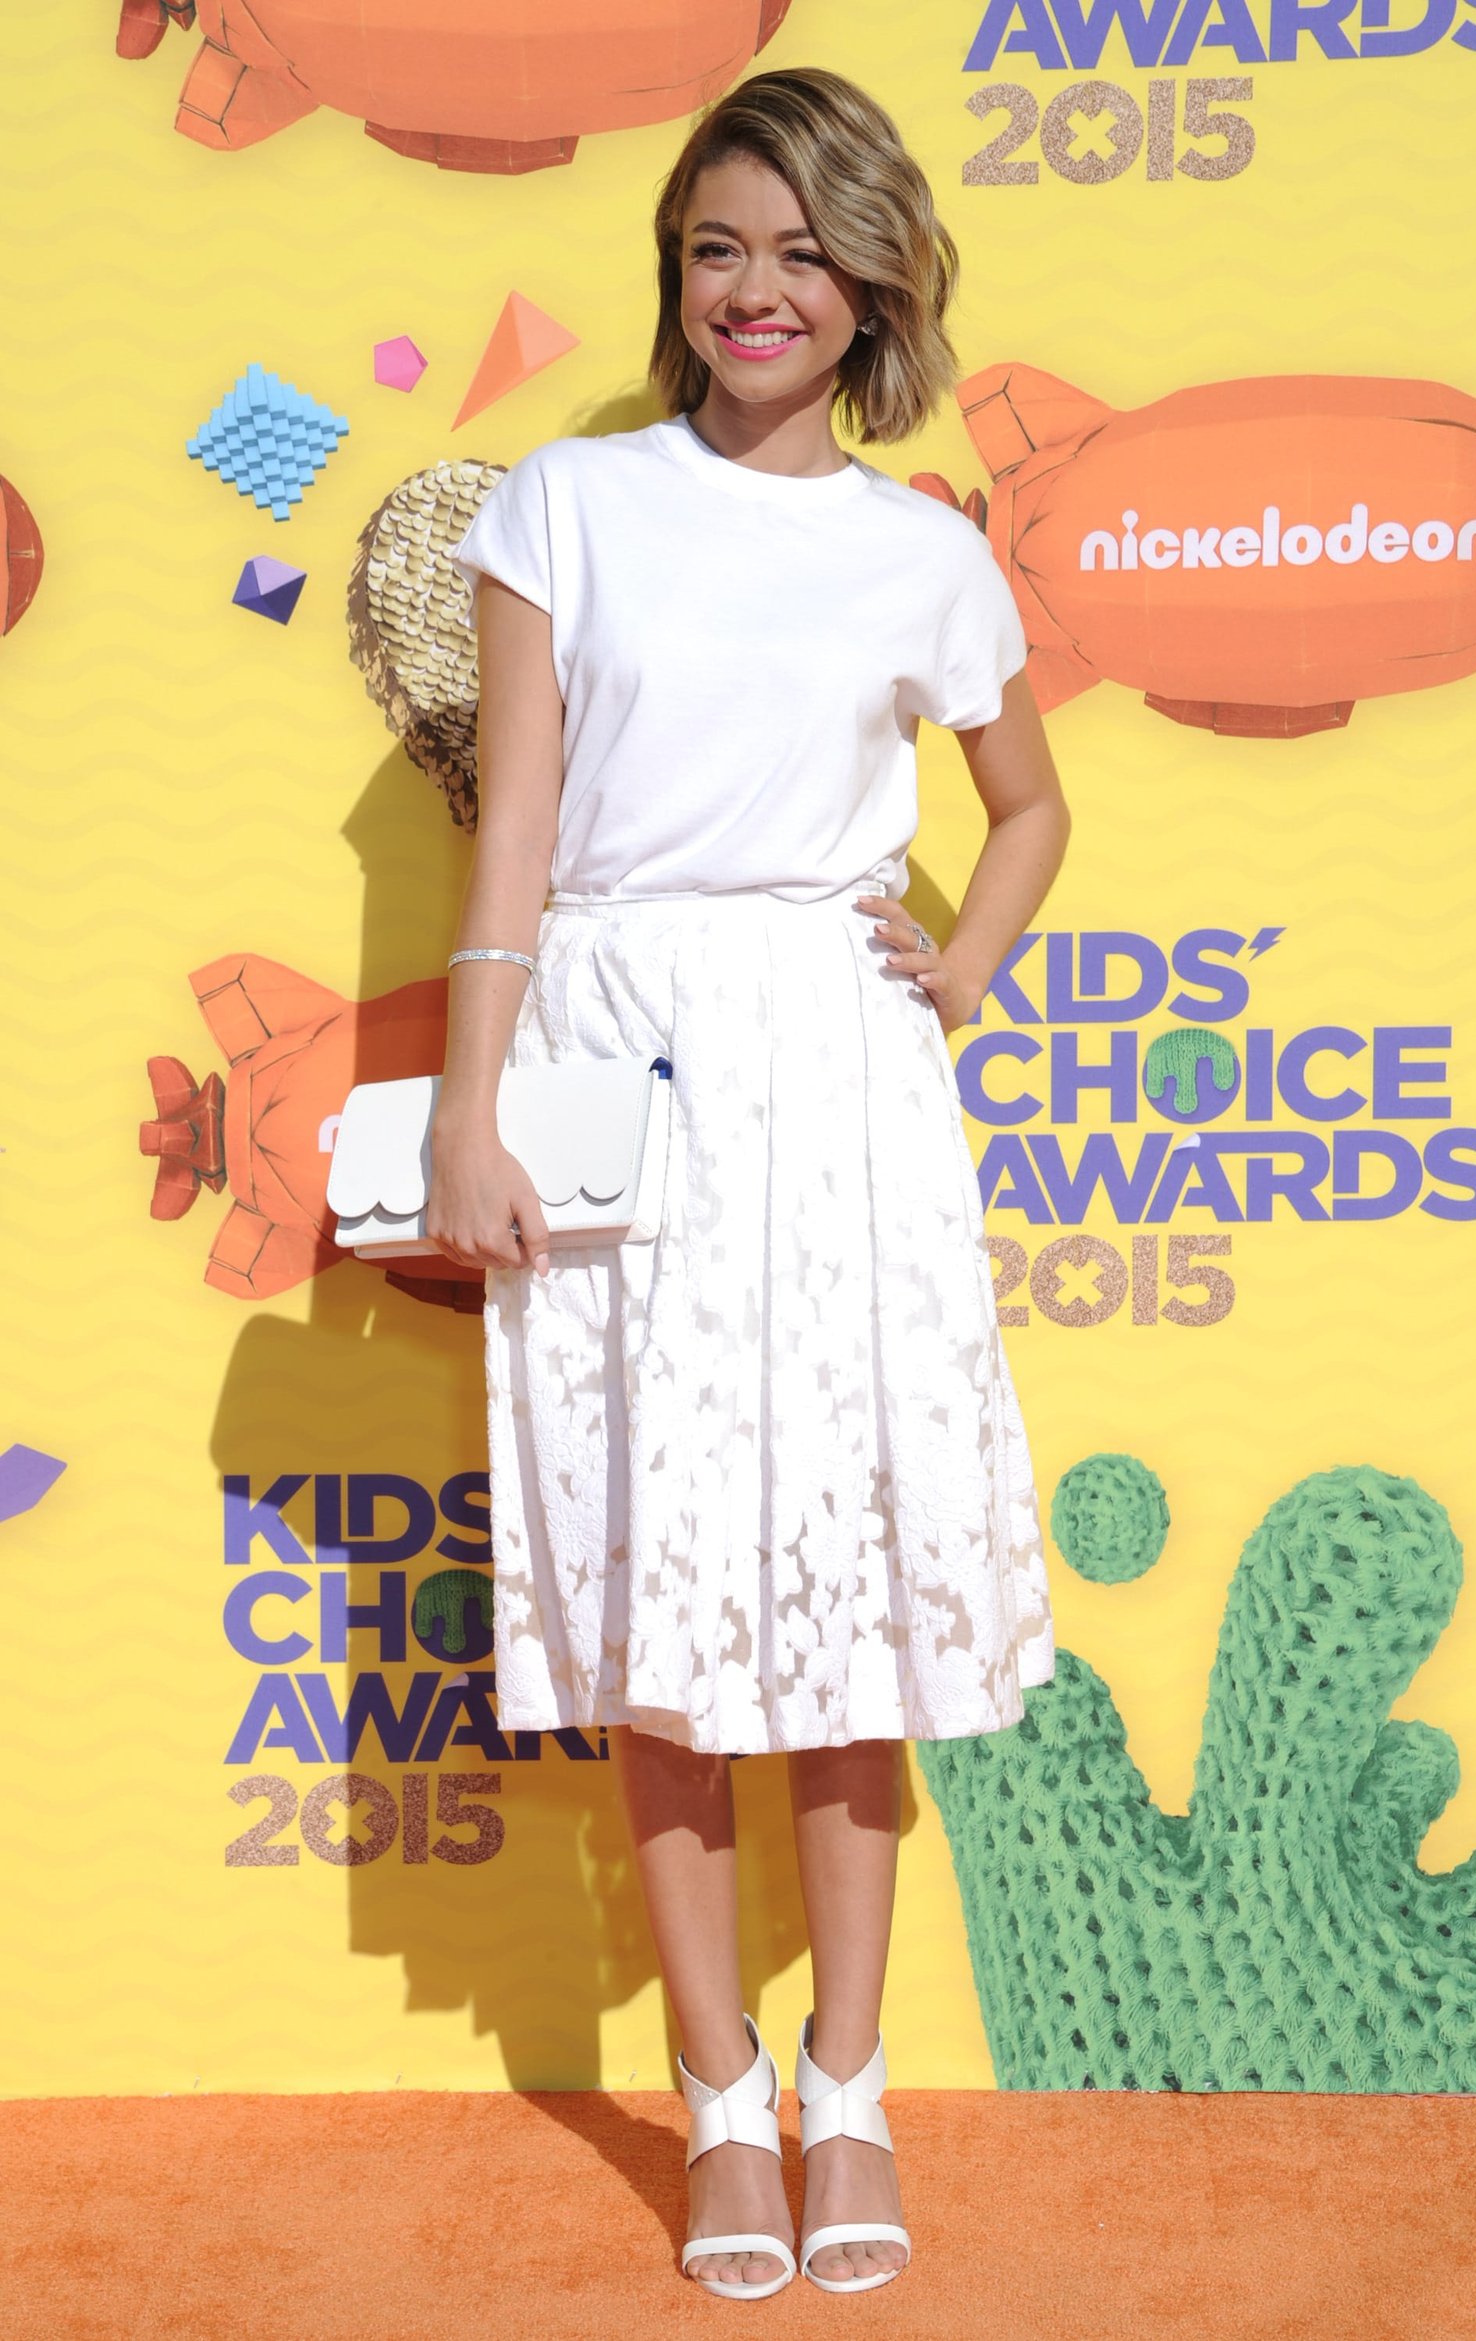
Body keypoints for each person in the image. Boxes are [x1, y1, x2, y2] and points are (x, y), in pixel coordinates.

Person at [431, 64, 1069, 2301]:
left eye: (803, 251)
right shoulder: (569, 502)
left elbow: (1027, 805)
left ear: (874, 281)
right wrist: (469, 1100)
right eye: (718, 248)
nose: (756, 290)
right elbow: (517, 824)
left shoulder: (925, 551)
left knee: (848, 1586)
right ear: (676, 275)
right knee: (668, 1597)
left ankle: (851, 2079)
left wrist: (956, 970)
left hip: (837, 1073)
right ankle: (717, 2096)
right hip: (616, 1048)